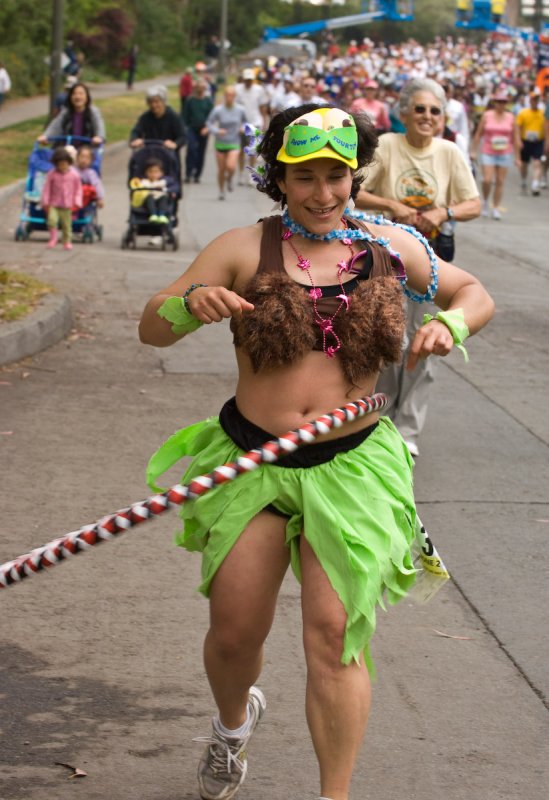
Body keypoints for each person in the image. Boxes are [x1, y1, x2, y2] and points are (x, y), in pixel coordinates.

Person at [138, 103, 494, 800]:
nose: (323, 193)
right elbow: (153, 326)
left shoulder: (390, 247)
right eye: (305, 176)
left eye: (336, 175)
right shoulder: (243, 248)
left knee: (334, 636)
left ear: (354, 174)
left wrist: (449, 323)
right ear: (278, 176)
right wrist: (193, 303)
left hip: (351, 462)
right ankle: (233, 727)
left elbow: (472, 292)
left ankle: (335, 795)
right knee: (235, 631)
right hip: (255, 460)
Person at [356, 78, 481, 458]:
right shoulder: (387, 146)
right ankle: (379, 420)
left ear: (444, 117)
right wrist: (392, 206)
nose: (428, 117)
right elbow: (354, 189)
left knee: (425, 340)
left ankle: (407, 430)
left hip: (431, 256)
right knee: (388, 338)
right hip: (385, 251)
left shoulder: (449, 152)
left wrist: (444, 211)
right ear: (404, 113)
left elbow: (472, 204)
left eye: (435, 111)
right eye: (421, 109)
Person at [470, 89, 515, 219]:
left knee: (500, 181)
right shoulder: (487, 115)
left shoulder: (511, 117)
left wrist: (517, 156)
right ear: (494, 103)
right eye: (499, 102)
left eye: (503, 102)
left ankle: (495, 207)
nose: (501, 104)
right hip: (488, 150)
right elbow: (478, 134)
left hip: (505, 152)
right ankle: (485, 202)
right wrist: (473, 150)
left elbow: (515, 137)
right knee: (487, 180)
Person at [204, 85, 247, 200]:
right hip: (221, 143)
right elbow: (209, 123)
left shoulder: (240, 110)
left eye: (232, 95)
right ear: (224, 96)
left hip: (234, 141)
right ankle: (221, 191)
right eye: (227, 95)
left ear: (235, 97)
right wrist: (217, 131)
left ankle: (230, 179)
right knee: (222, 169)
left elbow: (245, 122)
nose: (229, 98)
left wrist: (243, 128)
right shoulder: (218, 110)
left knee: (231, 166)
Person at [41, 147, 83, 250]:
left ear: (69, 162)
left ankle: (67, 241)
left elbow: (78, 189)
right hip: (54, 203)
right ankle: (53, 238)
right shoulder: (52, 174)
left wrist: (77, 202)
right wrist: (45, 202)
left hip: (67, 204)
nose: (63, 166)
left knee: (66, 225)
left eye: (65, 163)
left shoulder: (74, 175)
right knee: (52, 220)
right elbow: (47, 188)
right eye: (60, 164)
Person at [38, 83, 105, 145]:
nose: (77, 97)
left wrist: (99, 137)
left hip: (86, 150)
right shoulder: (65, 112)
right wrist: (46, 136)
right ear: (70, 97)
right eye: (74, 94)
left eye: (81, 94)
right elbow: (56, 125)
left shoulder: (93, 112)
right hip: (67, 149)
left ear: (87, 97)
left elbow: (99, 125)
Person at [235, 68, 269, 185]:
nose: (248, 82)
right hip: (242, 123)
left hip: (256, 122)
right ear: (243, 80)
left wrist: (264, 122)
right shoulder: (238, 89)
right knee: (241, 149)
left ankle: (251, 174)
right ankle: (240, 173)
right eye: (246, 80)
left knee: (253, 150)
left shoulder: (258, 90)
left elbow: (263, 107)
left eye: (250, 80)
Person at [130, 85, 186, 152]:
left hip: (169, 155)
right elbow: (136, 131)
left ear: (164, 102)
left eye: (156, 101)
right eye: (151, 102)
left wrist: (175, 144)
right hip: (150, 154)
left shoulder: (174, 117)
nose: (153, 105)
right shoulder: (145, 117)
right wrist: (135, 140)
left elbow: (182, 136)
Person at [182, 79, 214, 183]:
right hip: (191, 128)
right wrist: (185, 128)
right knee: (191, 149)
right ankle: (188, 172)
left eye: (202, 87)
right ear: (195, 88)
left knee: (201, 151)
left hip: (204, 129)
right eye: (198, 87)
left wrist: (207, 127)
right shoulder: (190, 100)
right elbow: (184, 116)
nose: (200, 89)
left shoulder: (208, 101)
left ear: (205, 88)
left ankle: (197, 174)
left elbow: (212, 117)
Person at [514, 91, 545, 196]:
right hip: (525, 141)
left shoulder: (542, 113)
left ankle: (535, 184)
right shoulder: (523, 113)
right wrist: (518, 140)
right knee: (524, 164)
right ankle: (523, 180)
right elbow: (518, 127)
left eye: (536, 99)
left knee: (537, 163)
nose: (535, 101)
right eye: (533, 99)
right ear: (530, 101)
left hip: (538, 141)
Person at [129, 158, 177, 224]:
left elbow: (175, 187)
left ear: (161, 173)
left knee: (164, 197)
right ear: (146, 172)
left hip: (160, 199)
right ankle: (153, 214)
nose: (153, 174)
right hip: (147, 202)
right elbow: (135, 186)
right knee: (149, 197)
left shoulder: (164, 181)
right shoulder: (143, 181)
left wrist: (168, 190)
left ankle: (161, 215)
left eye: (156, 172)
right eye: (150, 172)